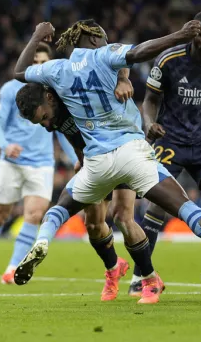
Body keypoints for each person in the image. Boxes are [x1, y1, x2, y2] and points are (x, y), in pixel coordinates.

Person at [12, 20, 201, 304]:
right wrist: (179, 35)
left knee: (61, 209)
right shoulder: (104, 53)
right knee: (184, 207)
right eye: (102, 37)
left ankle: (42, 241)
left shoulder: (57, 70)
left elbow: (18, 72)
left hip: (97, 161)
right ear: (94, 38)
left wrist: (38, 33)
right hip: (131, 151)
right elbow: (139, 52)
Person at [130, 11, 201, 297]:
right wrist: (149, 124)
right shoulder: (169, 60)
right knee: (157, 207)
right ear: (193, 34)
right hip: (171, 141)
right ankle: (141, 276)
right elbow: (150, 100)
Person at [22, 80, 140, 301]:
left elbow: (113, 57)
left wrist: (124, 78)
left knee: (122, 217)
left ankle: (148, 277)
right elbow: (73, 136)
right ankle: (114, 268)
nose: (46, 126)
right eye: (40, 123)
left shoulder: (72, 96)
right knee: (94, 225)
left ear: (49, 99)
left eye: (44, 118)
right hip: (94, 164)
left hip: (120, 152)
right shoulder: (53, 117)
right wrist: (81, 160)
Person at [0, 43, 78, 285]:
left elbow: (62, 130)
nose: (39, 67)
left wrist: (76, 158)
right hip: (11, 161)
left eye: (44, 63)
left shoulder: (53, 93)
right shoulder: (11, 89)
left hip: (42, 162)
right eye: (35, 63)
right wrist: (5, 146)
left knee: (34, 214)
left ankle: (12, 268)